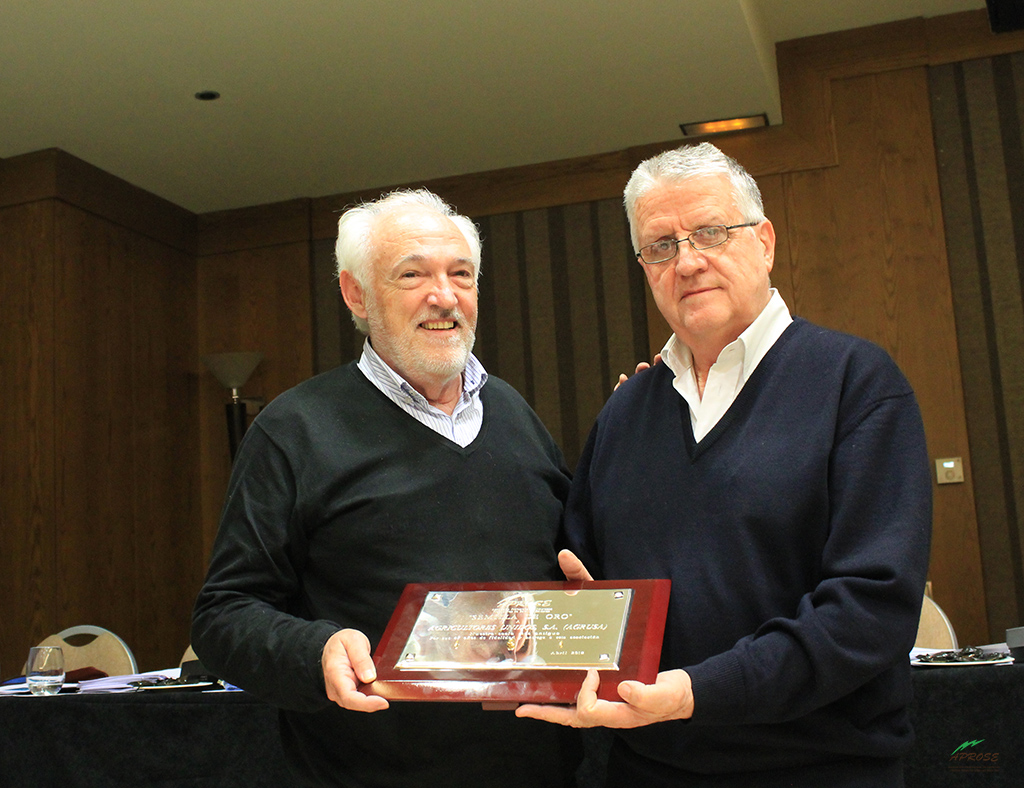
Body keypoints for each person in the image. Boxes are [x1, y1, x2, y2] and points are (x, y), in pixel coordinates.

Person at [517, 143, 933, 788]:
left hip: (818, 770)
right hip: (645, 767)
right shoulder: (625, 414)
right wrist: (575, 613)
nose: (687, 262)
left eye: (711, 232)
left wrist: (697, 692)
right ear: (644, 267)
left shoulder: (856, 384)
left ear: (764, 243)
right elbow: (581, 576)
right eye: (661, 246)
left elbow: (870, 610)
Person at [191, 189, 581, 788]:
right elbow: (223, 615)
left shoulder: (515, 414)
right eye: (412, 275)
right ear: (357, 295)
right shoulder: (295, 430)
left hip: (541, 770)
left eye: (461, 274)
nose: (444, 296)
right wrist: (314, 651)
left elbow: (569, 571)